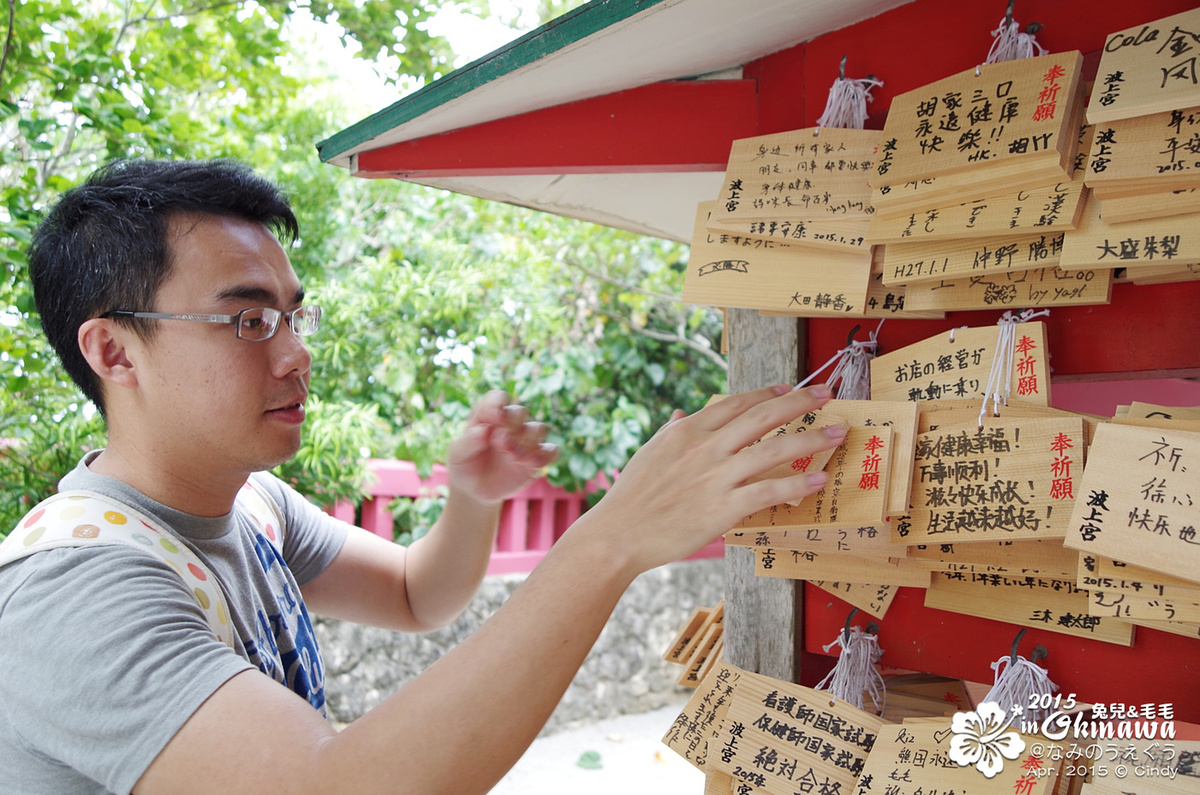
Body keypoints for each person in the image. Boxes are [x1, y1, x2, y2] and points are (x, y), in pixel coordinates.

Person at [0, 158, 845, 794]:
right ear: (114, 350)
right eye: (248, 319)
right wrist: (613, 536)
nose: (296, 355)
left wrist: (472, 499)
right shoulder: (77, 586)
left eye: (294, 316)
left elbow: (413, 594)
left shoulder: (249, 504)